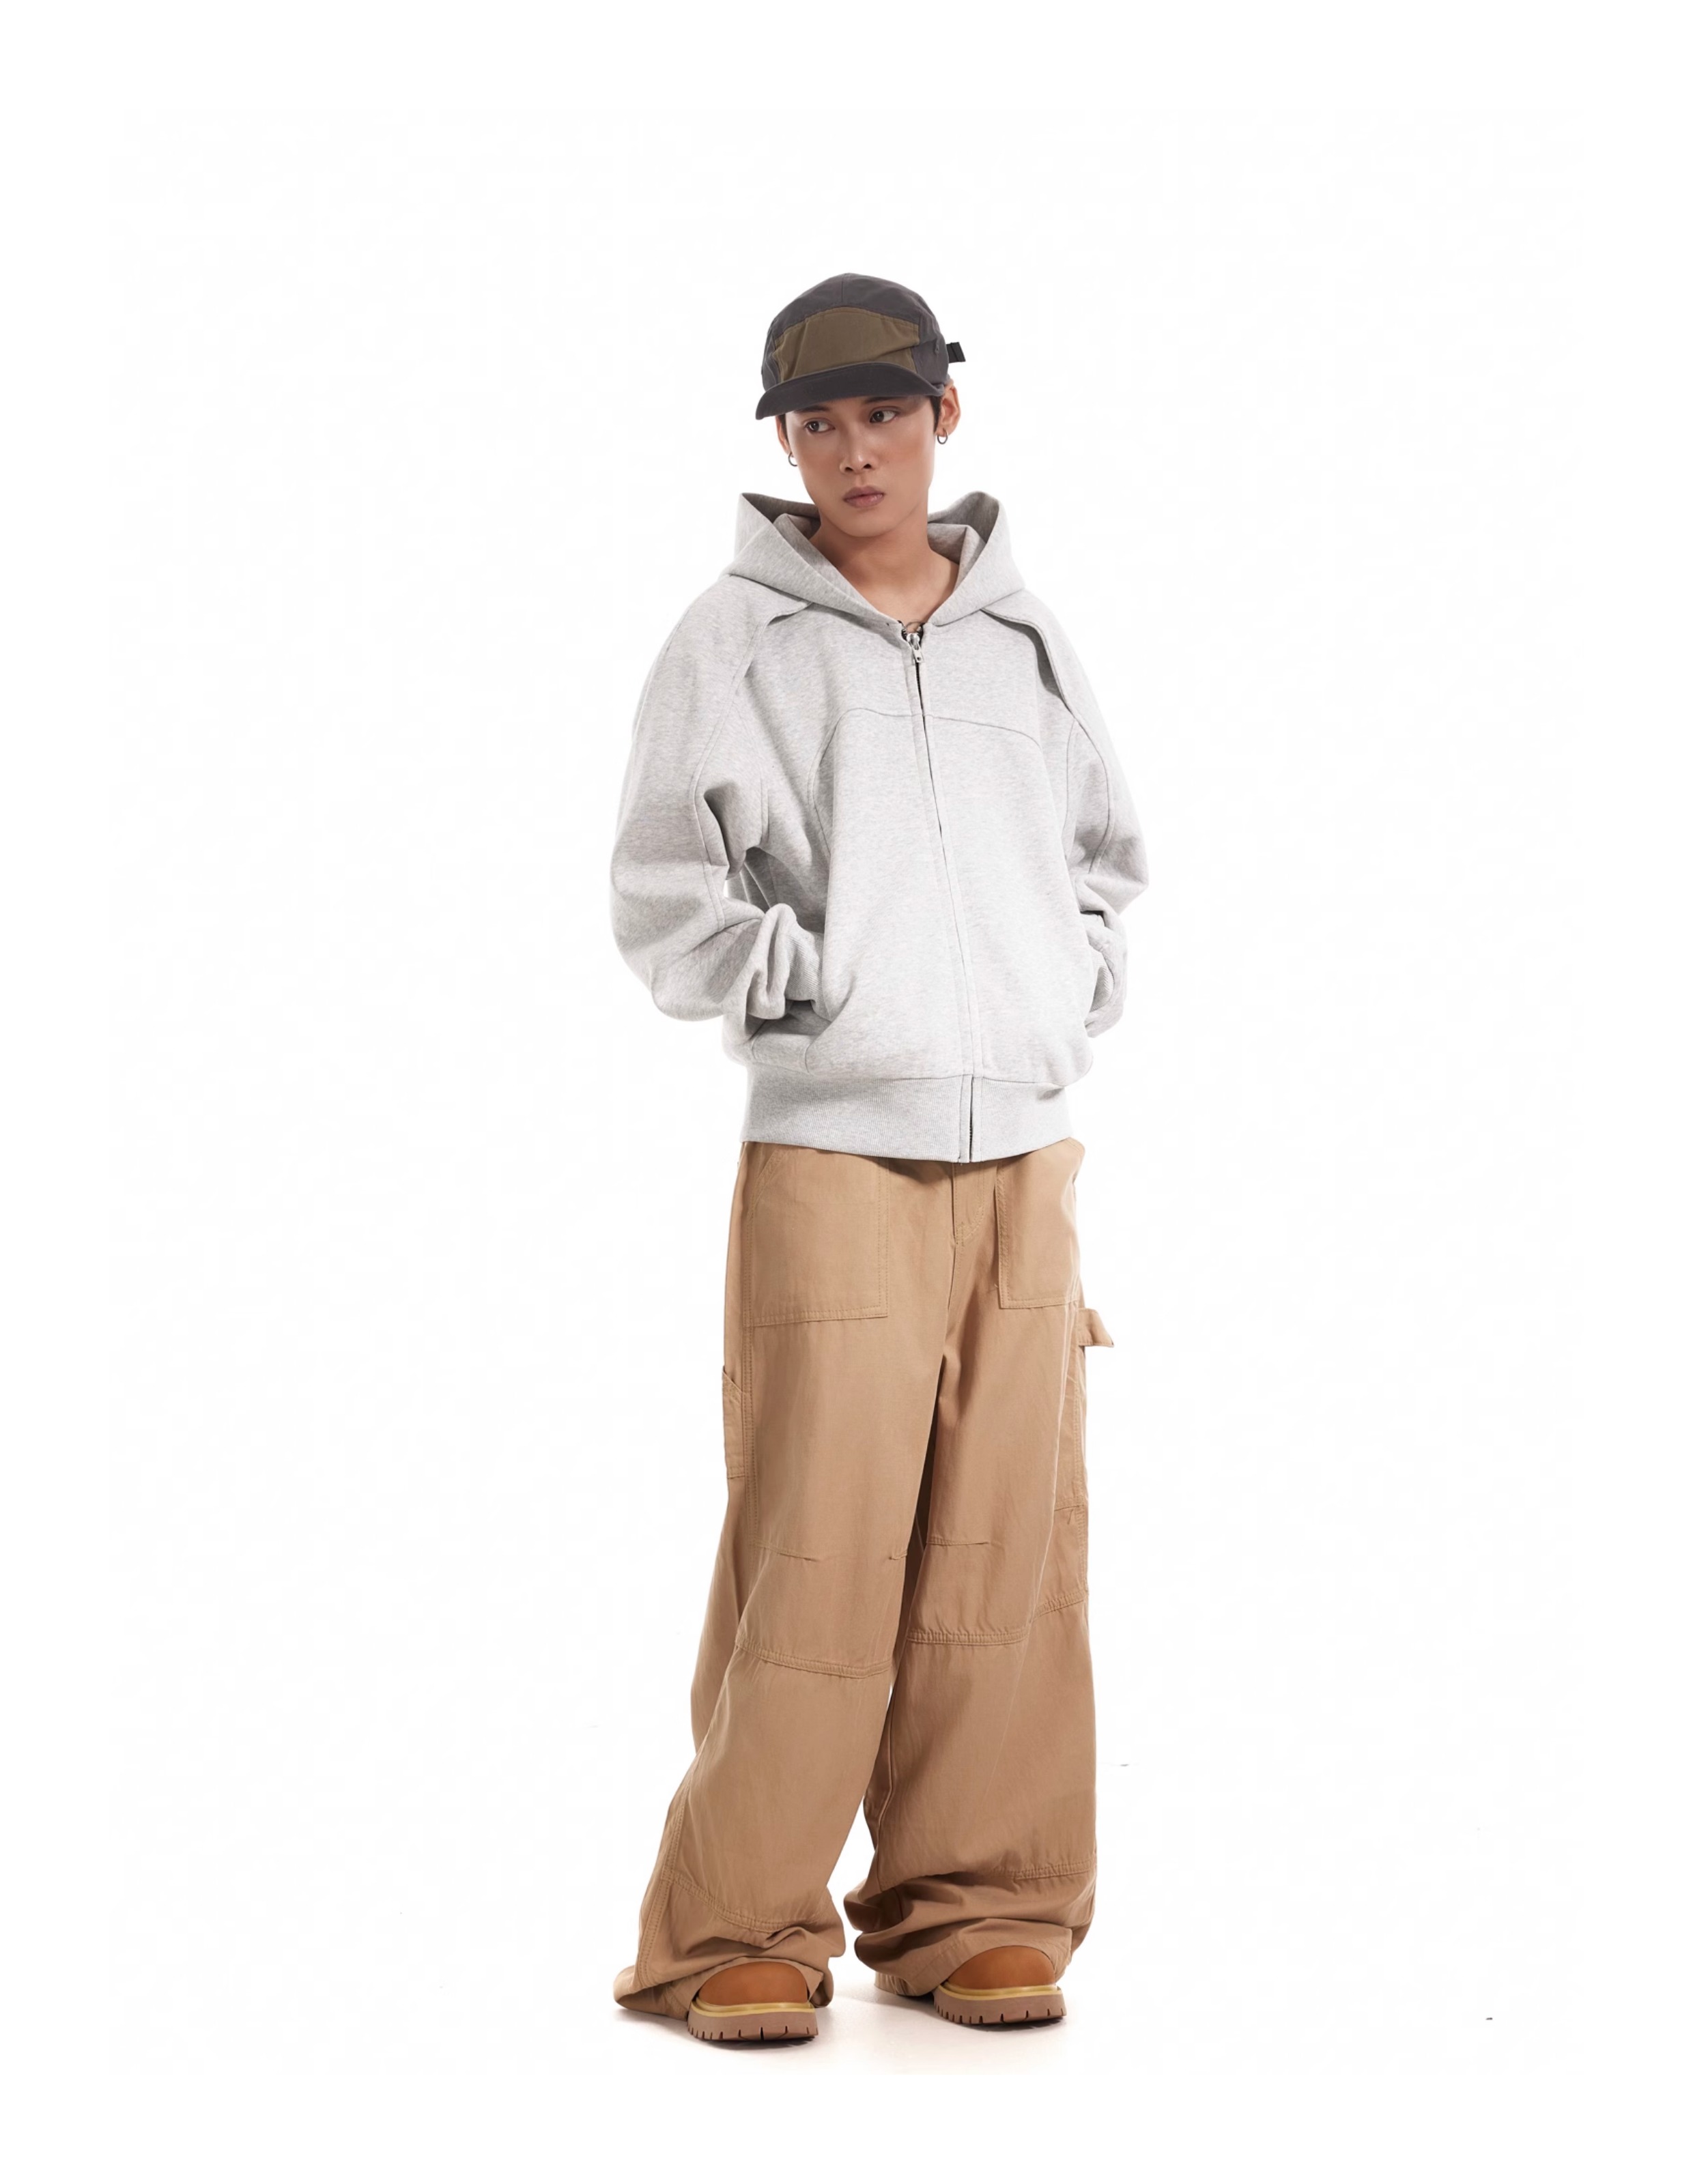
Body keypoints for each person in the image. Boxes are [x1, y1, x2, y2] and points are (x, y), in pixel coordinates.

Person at [608, 272, 1149, 2043]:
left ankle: (974, 1904)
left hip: (1028, 1155)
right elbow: (666, 887)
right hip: (835, 1148)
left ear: (944, 418)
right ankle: (735, 1924)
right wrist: (810, 991)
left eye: (888, 414)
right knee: (819, 1548)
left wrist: (1069, 982)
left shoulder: (1024, 640)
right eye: (822, 421)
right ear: (786, 439)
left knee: (1009, 1553)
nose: (858, 451)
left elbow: (1105, 856)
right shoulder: (734, 641)